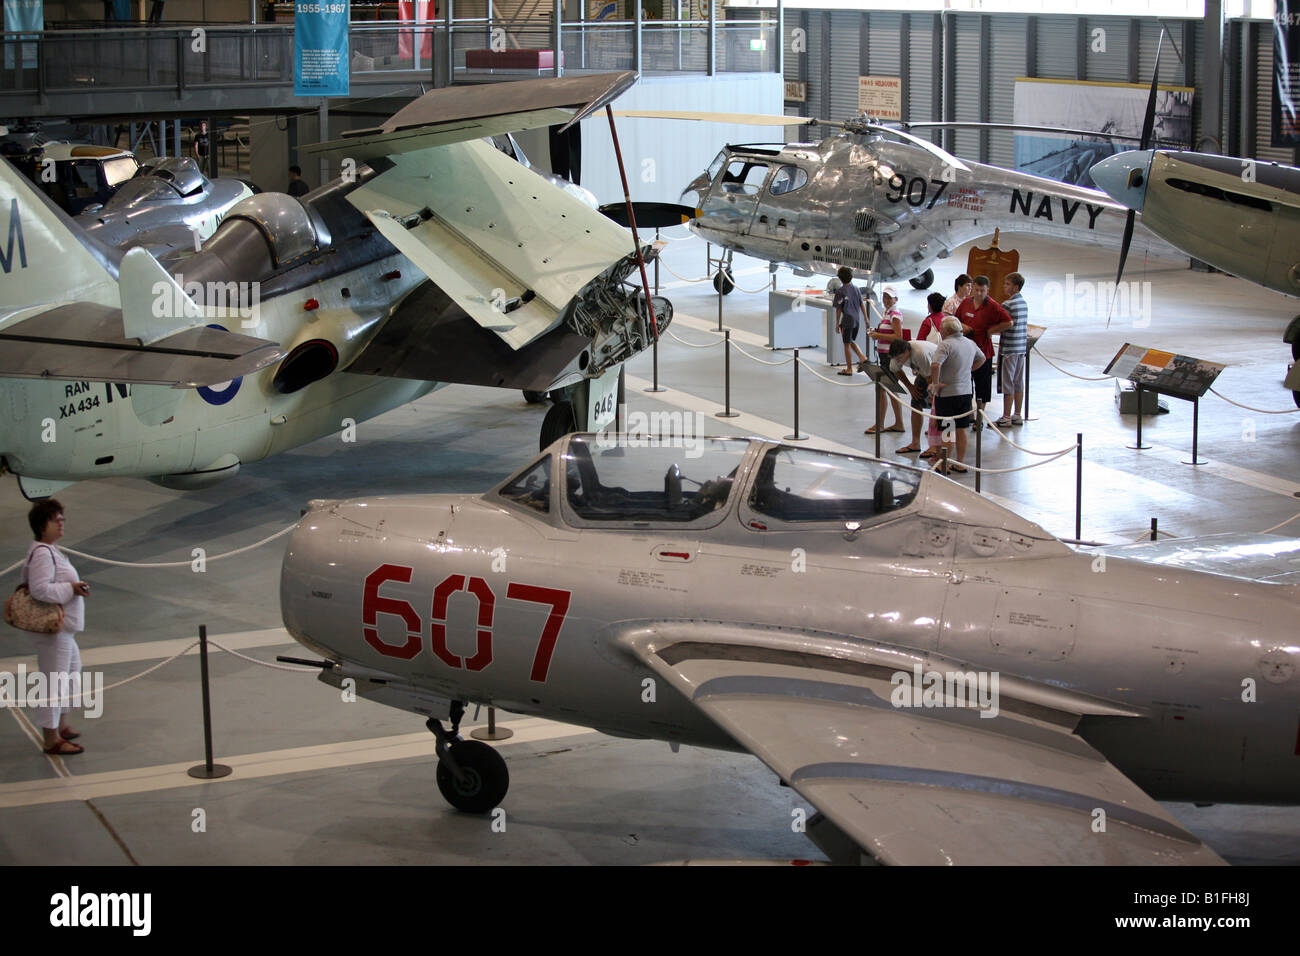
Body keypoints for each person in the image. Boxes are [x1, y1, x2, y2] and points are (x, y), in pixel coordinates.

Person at [21, 499, 91, 756]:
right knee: (54, 682)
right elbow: (39, 590)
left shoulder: (50, 550)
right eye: (55, 520)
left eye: (62, 519)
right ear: (42, 526)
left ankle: (59, 725)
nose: (61, 523)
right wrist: (70, 589)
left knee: (71, 672)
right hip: (54, 631)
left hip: (63, 629)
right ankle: (51, 739)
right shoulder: (42, 553)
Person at [954, 275, 1013, 429]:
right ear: (973, 288)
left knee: (982, 387)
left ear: (988, 290)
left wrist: (991, 330)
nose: (979, 293)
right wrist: (963, 326)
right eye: (977, 290)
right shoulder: (966, 303)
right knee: (966, 384)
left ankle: (980, 416)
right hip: (966, 351)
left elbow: (1008, 322)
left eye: (982, 290)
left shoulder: (993, 306)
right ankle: (969, 414)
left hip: (983, 353)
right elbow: (955, 320)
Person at [928, 316, 985, 475]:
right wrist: (968, 370)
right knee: (961, 429)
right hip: (965, 392)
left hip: (947, 394)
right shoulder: (970, 343)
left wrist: (935, 383)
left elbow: (935, 365)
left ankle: (945, 463)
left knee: (948, 429)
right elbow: (982, 359)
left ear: (946, 330)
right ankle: (960, 463)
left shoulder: (945, 344)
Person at [887, 337, 938, 455]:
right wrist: (910, 387)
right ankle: (915, 443)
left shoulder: (919, 354)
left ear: (907, 352)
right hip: (925, 372)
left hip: (941, 370)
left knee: (938, 408)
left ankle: (936, 446)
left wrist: (933, 395)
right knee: (916, 402)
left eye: (900, 358)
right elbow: (896, 369)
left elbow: (931, 377)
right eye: (896, 359)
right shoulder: (897, 355)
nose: (899, 361)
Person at [865, 285, 905, 432]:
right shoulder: (887, 312)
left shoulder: (894, 314)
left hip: (889, 357)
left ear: (896, 299)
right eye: (885, 297)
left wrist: (878, 336)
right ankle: (897, 423)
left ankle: (881, 424)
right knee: (889, 390)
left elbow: (898, 336)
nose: (887, 300)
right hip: (885, 356)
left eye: (890, 298)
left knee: (884, 390)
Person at [995, 272, 1029, 427]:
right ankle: (1017, 415)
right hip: (1021, 348)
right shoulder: (1023, 303)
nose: (1004, 286)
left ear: (1015, 287)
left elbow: (1001, 324)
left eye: (1007, 284)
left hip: (1008, 349)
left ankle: (1006, 416)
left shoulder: (1007, 305)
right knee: (1018, 382)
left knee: (1007, 383)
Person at [831, 266, 869, 376]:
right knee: (850, 340)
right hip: (856, 319)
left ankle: (849, 368)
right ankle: (862, 357)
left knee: (846, 343)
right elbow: (862, 304)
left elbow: (838, 309)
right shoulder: (856, 289)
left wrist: (837, 323)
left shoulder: (840, 291)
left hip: (847, 319)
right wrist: (866, 318)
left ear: (840, 278)